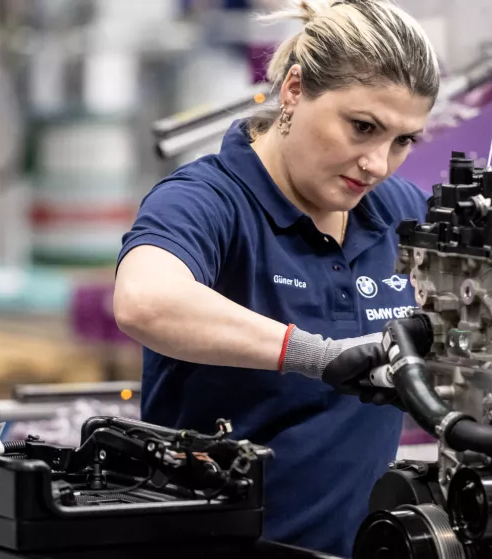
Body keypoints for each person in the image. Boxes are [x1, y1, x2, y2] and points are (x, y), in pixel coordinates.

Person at [112, 0, 440, 555]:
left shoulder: (399, 210)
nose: (378, 163)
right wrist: (316, 355)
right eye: (362, 127)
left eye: (403, 140)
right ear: (294, 90)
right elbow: (145, 301)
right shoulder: (209, 200)